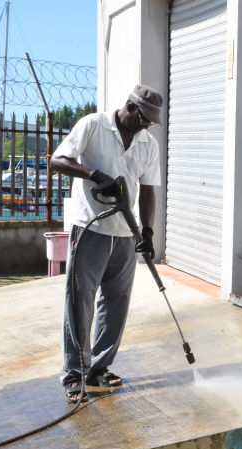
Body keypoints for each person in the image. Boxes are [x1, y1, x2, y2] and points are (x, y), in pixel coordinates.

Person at [51, 85, 163, 403]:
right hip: (90, 229)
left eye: (150, 122)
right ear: (129, 107)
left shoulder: (148, 144)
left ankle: (98, 370)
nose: (145, 126)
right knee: (80, 300)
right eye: (142, 118)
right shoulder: (93, 125)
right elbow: (57, 161)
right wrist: (93, 174)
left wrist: (148, 232)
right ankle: (75, 373)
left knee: (117, 303)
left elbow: (149, 189)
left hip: (126, 235)